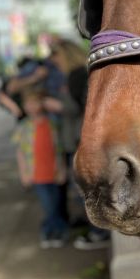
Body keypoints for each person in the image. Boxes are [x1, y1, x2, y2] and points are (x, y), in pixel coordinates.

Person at [45, 38, 110, 249]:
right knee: (87, 189)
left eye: (55, 56)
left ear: (64, 55)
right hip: (78, 139)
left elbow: (77, 108)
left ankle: (98, 232)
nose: (53, 61)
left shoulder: (76, 76)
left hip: (77, 139)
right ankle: (97, 229)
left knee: (86, 189)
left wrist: (56, 104)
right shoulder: (81, 74)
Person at [12, 88, 69, 248]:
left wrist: (62, 169)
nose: (32, 106)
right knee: (48, 206)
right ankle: (49, 231)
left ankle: (57, 232)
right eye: (28, 103)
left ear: (42, 104)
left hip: (54, 172)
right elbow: (21, 153)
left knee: (56, 204)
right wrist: (23, 173)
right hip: (37, 175)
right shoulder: (24, 127)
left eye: (35, 102)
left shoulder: (53, 124)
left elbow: (59, 149)